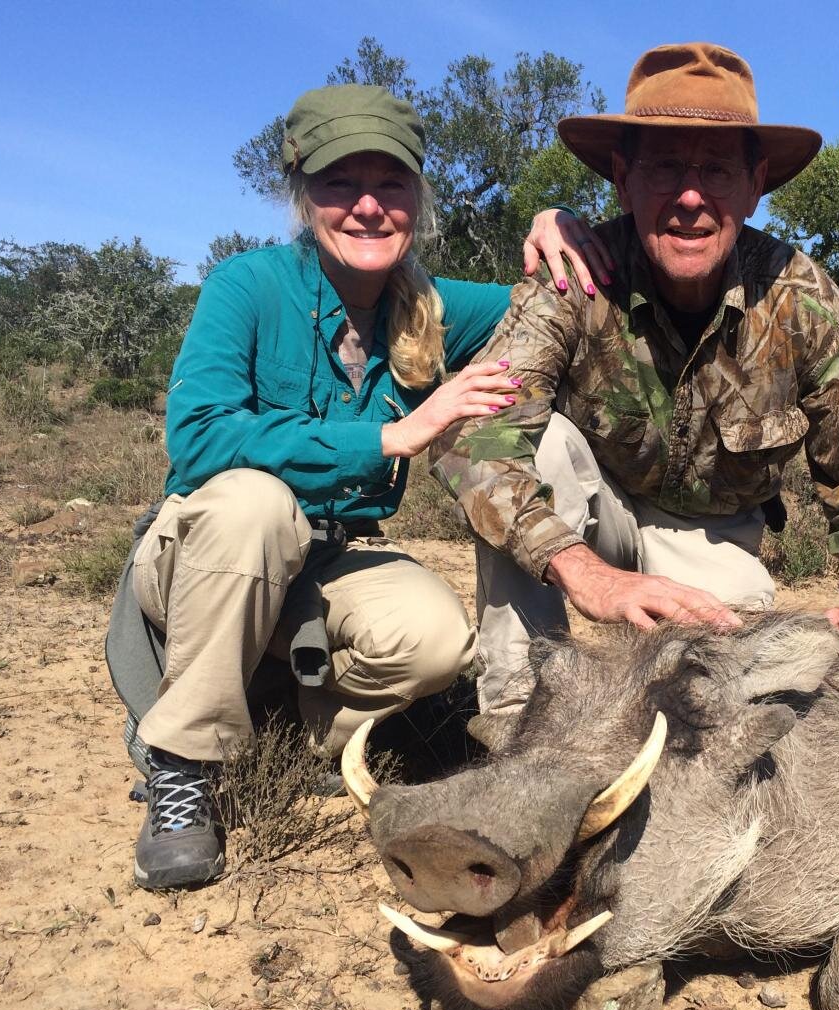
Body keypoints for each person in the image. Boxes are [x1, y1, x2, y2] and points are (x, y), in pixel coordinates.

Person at [113, 84, 610, 889]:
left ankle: (294, 737)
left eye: (392, 184)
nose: (368, 207)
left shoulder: (434, 305)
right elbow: (198, 436)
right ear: (303, 196)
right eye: (342, 184)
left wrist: (557, 221)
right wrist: (391, 435)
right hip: (202, 556)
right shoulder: (245, 285)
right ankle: (183, 770)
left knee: (438, 638)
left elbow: (546, 294)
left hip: (320, 565)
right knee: (254, 503)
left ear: (419, 198)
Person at [431, 43, 839, 715]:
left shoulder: (804, 298)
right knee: (539, 448)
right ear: (622, 178)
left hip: (716, 538)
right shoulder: (572, 278)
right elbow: (472, 436)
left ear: (755, 187)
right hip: (594, 518)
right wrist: (585, 572)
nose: (690, 197)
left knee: (730, 709)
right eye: (665, 165)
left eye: (717, 170)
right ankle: (519, 727)